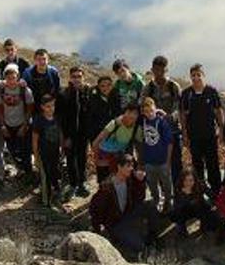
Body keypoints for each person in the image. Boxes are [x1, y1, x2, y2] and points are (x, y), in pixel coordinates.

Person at [89, 153, 159, 261]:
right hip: (115, 225)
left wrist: (140, 182)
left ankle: (153, 237)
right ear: (119, 167)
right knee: (140, 246)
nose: (131, 169)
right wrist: (98, 231)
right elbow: (95, 210)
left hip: (127, 216)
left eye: (132, 166)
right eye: (128, 166)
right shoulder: (106, 188)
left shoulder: (130, 180)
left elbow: (140, 199)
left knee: (150, 205)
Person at [180, 63, 224, 195]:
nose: (196, 78)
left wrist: (222, 130)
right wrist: (185, 134)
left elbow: (218, 111)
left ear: (203, 76)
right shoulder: (187, 94)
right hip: (194, 137)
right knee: (197, 165)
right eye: (193, 75)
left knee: (213, 164)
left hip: (210, 135)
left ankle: (216, 191)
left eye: (198, 75)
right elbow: (183, 115)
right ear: (190, 77)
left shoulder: (211, 91)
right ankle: (199, 191)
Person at [140, 55, 182, 187]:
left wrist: (168, 116)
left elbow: (179, 109)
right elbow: (142, 105)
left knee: (175, 162)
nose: (159, 73)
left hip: (172, 130)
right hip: (154, 133)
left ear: (166, 70)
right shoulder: (148, 88)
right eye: (156, 70)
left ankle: (178, 189)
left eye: (162, 70)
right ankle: (163, 191)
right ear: (152, 69)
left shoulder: (173, 86)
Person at [57, 66, 92, 197]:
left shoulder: (88, 92)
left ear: (83, 77)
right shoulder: (64, 94)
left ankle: (82, 183)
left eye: (79, 76)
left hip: (83, 134)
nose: (77, 79)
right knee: (71, 159)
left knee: (82, 158)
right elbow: (60, 118)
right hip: (69, 134)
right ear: (70, 78)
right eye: (74, 76)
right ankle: (73, 184)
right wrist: (64, 137)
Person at [0, 63, 35, 179]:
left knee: (25, 150)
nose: (11, 81)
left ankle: (28, 172)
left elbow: (30, 108)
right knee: (12, 149)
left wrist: (25, 125)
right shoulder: (1, 90)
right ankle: (20, 169)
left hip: (21, 124)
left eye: (13, 78)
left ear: (17, 77)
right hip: (8, 125)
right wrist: (2, 125)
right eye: (8, 78)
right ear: (5, 78)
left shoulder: (25, 90)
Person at [92, 102, 143, 184]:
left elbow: (140, 147)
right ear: (125, 112)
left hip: (119, 158)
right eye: (129, 112)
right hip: (104, 156)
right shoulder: (115, 123)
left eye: (135, 113)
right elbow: (96, 143)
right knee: (104, 186)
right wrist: (97, 161)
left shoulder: (137, 128)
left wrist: (140, 165)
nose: (131, 115)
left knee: (120, 184)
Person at [138, 97, 173, 213]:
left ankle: (168, 201)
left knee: (167, 184)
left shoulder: (161, 122)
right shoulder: (142, 121)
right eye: (146, 111)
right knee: (152, 184)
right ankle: (157, 200)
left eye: (151, 110)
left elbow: (169, 143)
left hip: (162, 161)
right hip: (149, 161)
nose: (149, 113)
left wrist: (168, 161)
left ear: (155, 108)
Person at [170, 167, 223, 237]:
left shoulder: (199, 185)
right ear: (182, 180)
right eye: (185, 180)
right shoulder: (178, 188)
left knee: (210, 215)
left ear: (195, 180)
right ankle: (181, 228)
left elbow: (212, 195)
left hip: (198, 207)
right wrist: (184, 196)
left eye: (191, 180)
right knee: (175, 214)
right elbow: (176, 206)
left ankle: (204, 225)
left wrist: (215, 205)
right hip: (185, 210)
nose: (188, 183)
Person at [32, 94, 64, 207]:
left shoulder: (56, 118)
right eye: (48, 106)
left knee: (55, 173)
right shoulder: (39, 120)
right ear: (42, 107)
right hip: (43, 153)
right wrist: (36, 156)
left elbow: (60, 133)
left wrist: (62, 147)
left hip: (55, 152)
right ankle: (46, 201)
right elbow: (35, 139)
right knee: (45, 177)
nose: (51, 109)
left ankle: (56, 193)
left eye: (53, 106)